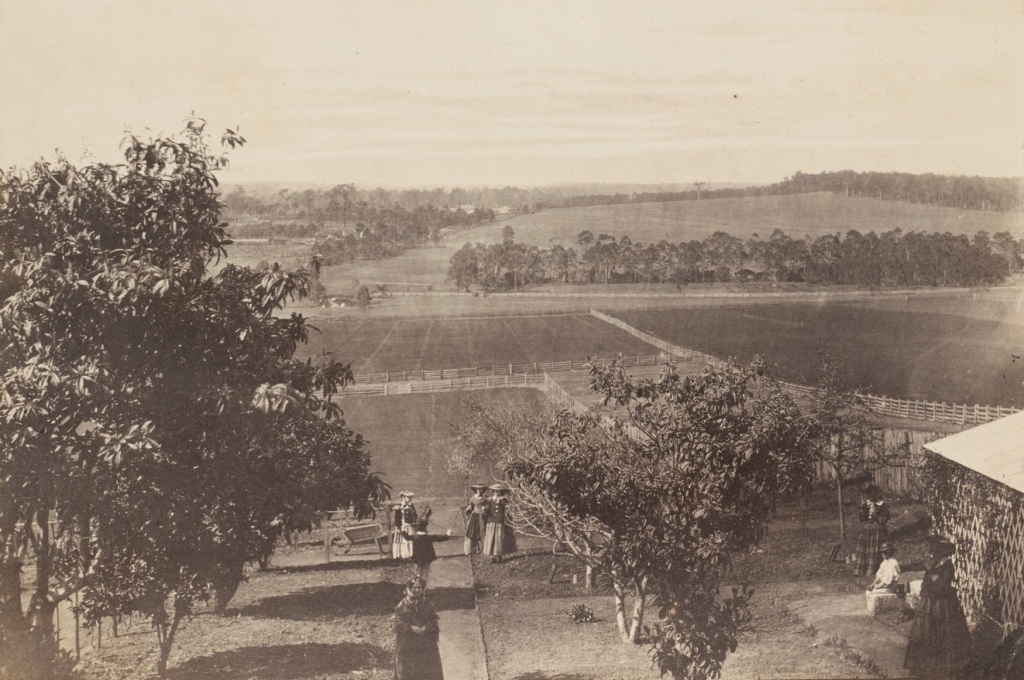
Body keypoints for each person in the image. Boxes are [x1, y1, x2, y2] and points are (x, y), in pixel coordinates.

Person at [904, 538, 971, 677]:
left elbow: (943, 585)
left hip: (942, 603)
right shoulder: (933, 563)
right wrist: (926, 587)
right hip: (928, 602)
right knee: (924, 631)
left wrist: (933, 576)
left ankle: (942, 666)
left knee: (943, 632)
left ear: (943, 551)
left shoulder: (948, 565)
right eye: (933, 549)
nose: (933, 552)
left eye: (936, 549)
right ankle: (922, 665)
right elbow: (925, 582)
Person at [393, 576, 444, 680]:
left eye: (419, 588)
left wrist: (426, 627)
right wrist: (411, 627)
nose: (417, 590)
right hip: (408, 643)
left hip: (425, 642)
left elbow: (433, 619)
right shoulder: (402, 605)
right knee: (408, 669)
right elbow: (397, 623)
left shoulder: (428, 603)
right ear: (408, 589)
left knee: (427, 668)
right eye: (414, 588)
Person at [853, 485, 890, 577]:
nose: (872, 496)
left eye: (875, 494)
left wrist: (875, 515)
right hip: (867, 530)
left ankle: (876, 570)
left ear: (878, 495)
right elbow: (862, 519)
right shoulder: (866, 505)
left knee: (878, 549)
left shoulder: (882, 505)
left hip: (878, 531)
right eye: (870, 494)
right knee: (865, 549)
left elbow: (883, 519)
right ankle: (863, 570)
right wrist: (863, 511)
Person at [482, 482, 517, 563]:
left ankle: (500, 556)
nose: (496, 493)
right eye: (494, 491)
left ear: (501, 492)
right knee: (491, 539)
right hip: (491, 522)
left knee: (499, 538)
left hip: (500, 521)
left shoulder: (503, 500)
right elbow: (487, 510)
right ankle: (492, 557)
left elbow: (507, 510)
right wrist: (484, 510)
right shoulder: (489, 500)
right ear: (493, 492)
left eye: (498, 491)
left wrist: (508, 514)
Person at [411, 517, 452, 584]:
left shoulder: (414, 537)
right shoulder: (428, 537)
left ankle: (417, 587)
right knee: (425, 573)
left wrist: (403, 528)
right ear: (425, 528)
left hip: (418, 559)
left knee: (418, 573)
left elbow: (406, 536)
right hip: (427, 559)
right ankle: (423, 588)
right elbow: (440, 538)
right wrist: (448, 533)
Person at [463, 483, 488, 555]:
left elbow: (488, 506)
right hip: (474, 516)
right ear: (476, 490)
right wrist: (468, 512)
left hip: (482, 517)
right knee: (471, 532)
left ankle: (481, 549)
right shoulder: (473, 498)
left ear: (483, 490)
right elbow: (471, 507)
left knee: (481, 532)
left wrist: (485, 509)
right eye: (478, 489)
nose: (479, 490)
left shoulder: (485, 498)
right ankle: (469, 550)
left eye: (481, 489)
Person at [392, 491, 417, 560]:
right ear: (404, 497)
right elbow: (393, 508)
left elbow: (415, 515)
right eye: (408, 497)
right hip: (402, 526)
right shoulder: (399, 505)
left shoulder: (411, 505)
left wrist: (414, 523)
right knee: (403, 540)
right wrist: (401, 508)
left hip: (409, 526)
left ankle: (411, 554)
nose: (410, 499)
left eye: (411, 497)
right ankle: (403, 555)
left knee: (411, 540)